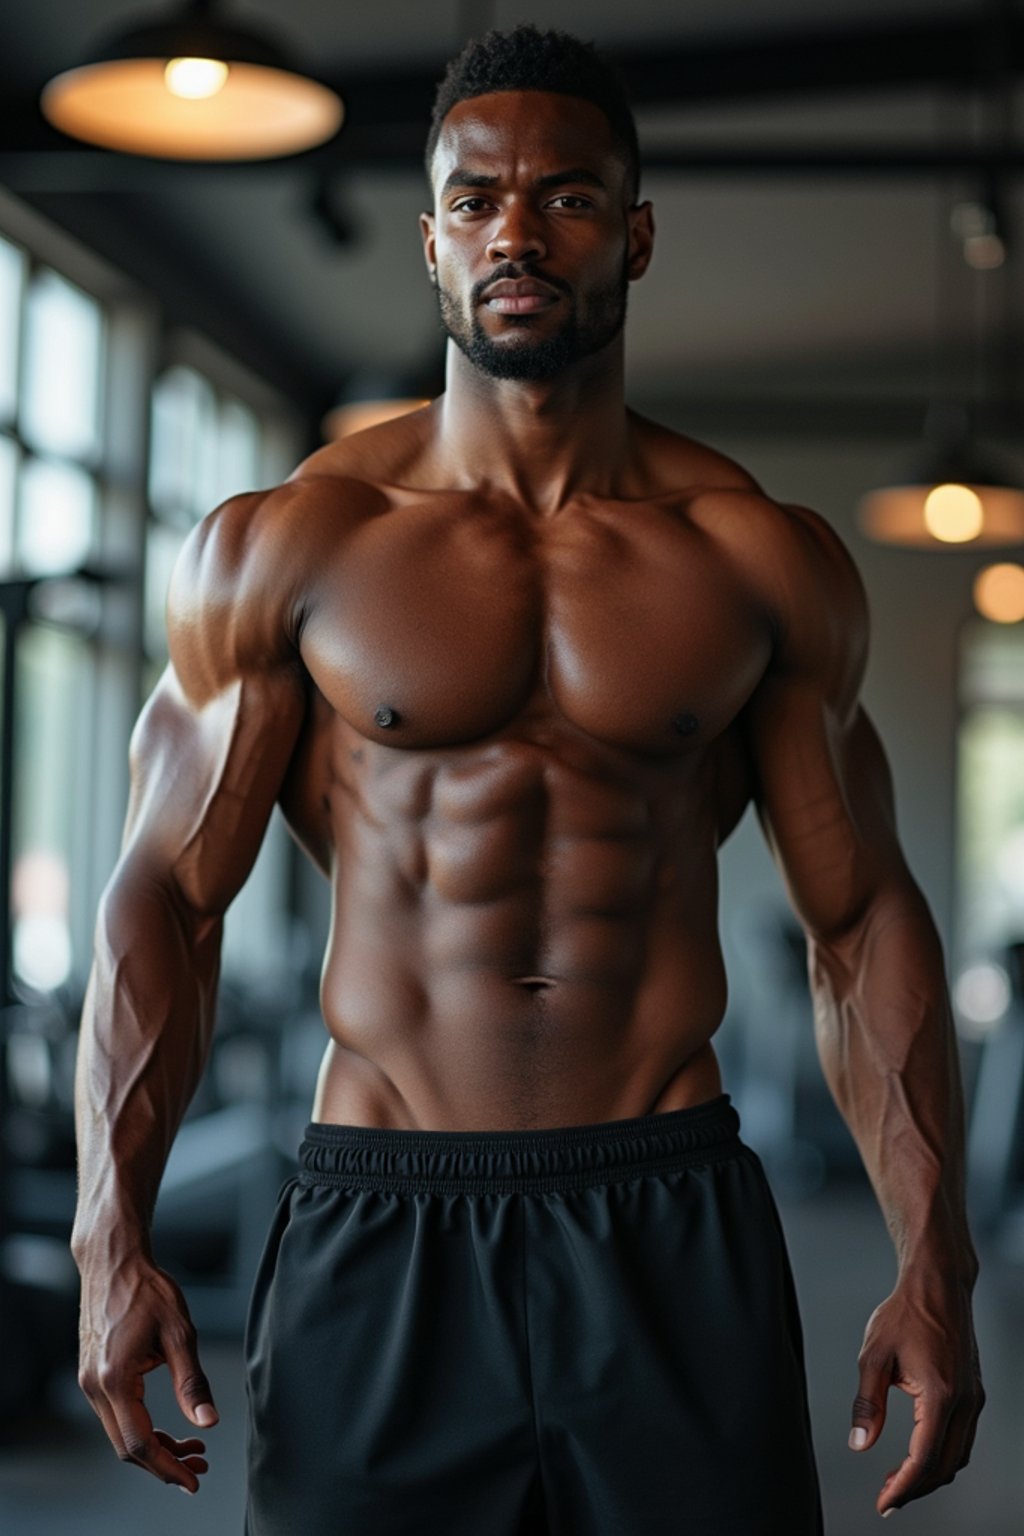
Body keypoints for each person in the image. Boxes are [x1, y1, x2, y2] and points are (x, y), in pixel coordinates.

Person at [71, 23, 984, 1535]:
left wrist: (934, 1261)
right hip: (384, 1211)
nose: (517, 227)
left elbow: (863, 919)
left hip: (668, 1211)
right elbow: (164, 894)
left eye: (565, 196)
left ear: (632, 236)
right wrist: (115, 1234)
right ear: (431, 241)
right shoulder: (294, 546)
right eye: (477, 196)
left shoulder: (755, 558)